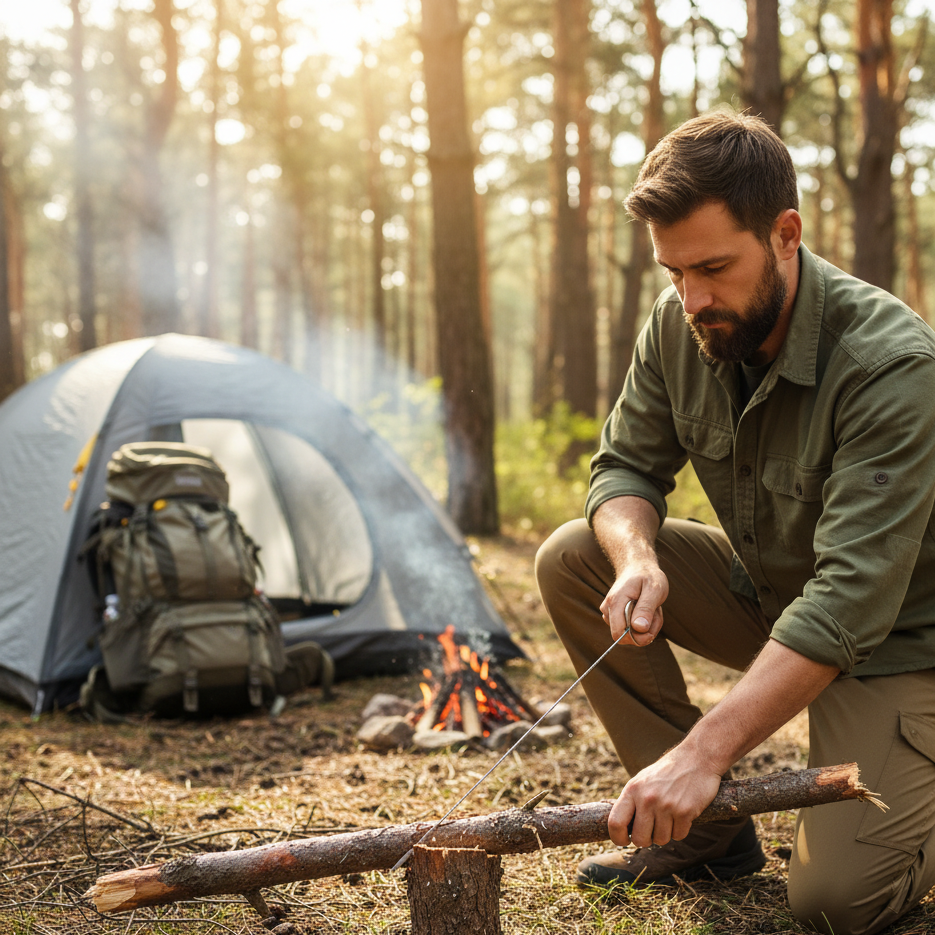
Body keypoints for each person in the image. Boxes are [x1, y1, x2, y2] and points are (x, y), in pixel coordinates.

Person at [535, 109, 935, 935]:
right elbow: (624, 469)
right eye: (673, 271)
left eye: (713, 267)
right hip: (777, 597)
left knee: (834, 907)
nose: (693, 297)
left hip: (903, 638)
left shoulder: (890, 367)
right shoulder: (680, 319)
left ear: (785, 233)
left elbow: (850, 601)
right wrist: (636, 554)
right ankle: (707, 838)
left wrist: (701, 751)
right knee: (576, 556)